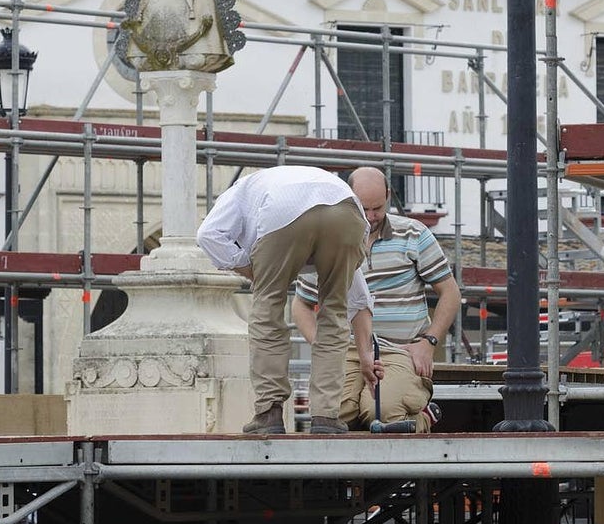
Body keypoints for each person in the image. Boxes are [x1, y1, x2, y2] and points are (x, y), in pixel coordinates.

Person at [196, 165, 379, 434]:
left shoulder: (240, 191)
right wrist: (365, 354)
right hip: (346, 210)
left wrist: (249, 268)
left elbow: (207, 235)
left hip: (282, 211)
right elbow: (357, 297)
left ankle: (269, 414)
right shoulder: (301, 181)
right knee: (335, 312)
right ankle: (326, 418)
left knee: (267, 311)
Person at [292, 166, 461, 432]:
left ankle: (421, 418)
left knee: (381, 410)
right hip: (346, 349)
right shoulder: (330, 241)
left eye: (377, 208)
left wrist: (428, 342)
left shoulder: (413, 234)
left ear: (389, 197)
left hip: (399, 349)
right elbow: (301, 303)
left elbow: (450, 292)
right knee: (333, 414)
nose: (371, 217)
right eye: (364, 209)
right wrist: (321, 344)